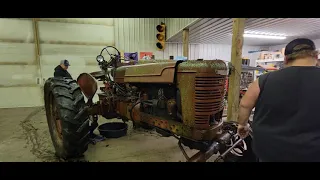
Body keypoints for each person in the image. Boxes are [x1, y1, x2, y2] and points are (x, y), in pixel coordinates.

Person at [237, 38, 320, 162]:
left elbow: (245, 105)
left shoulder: (264, 80)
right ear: (316, 56)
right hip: (313, 151)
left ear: (286, 59)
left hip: (270, 149)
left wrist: (242, 124)